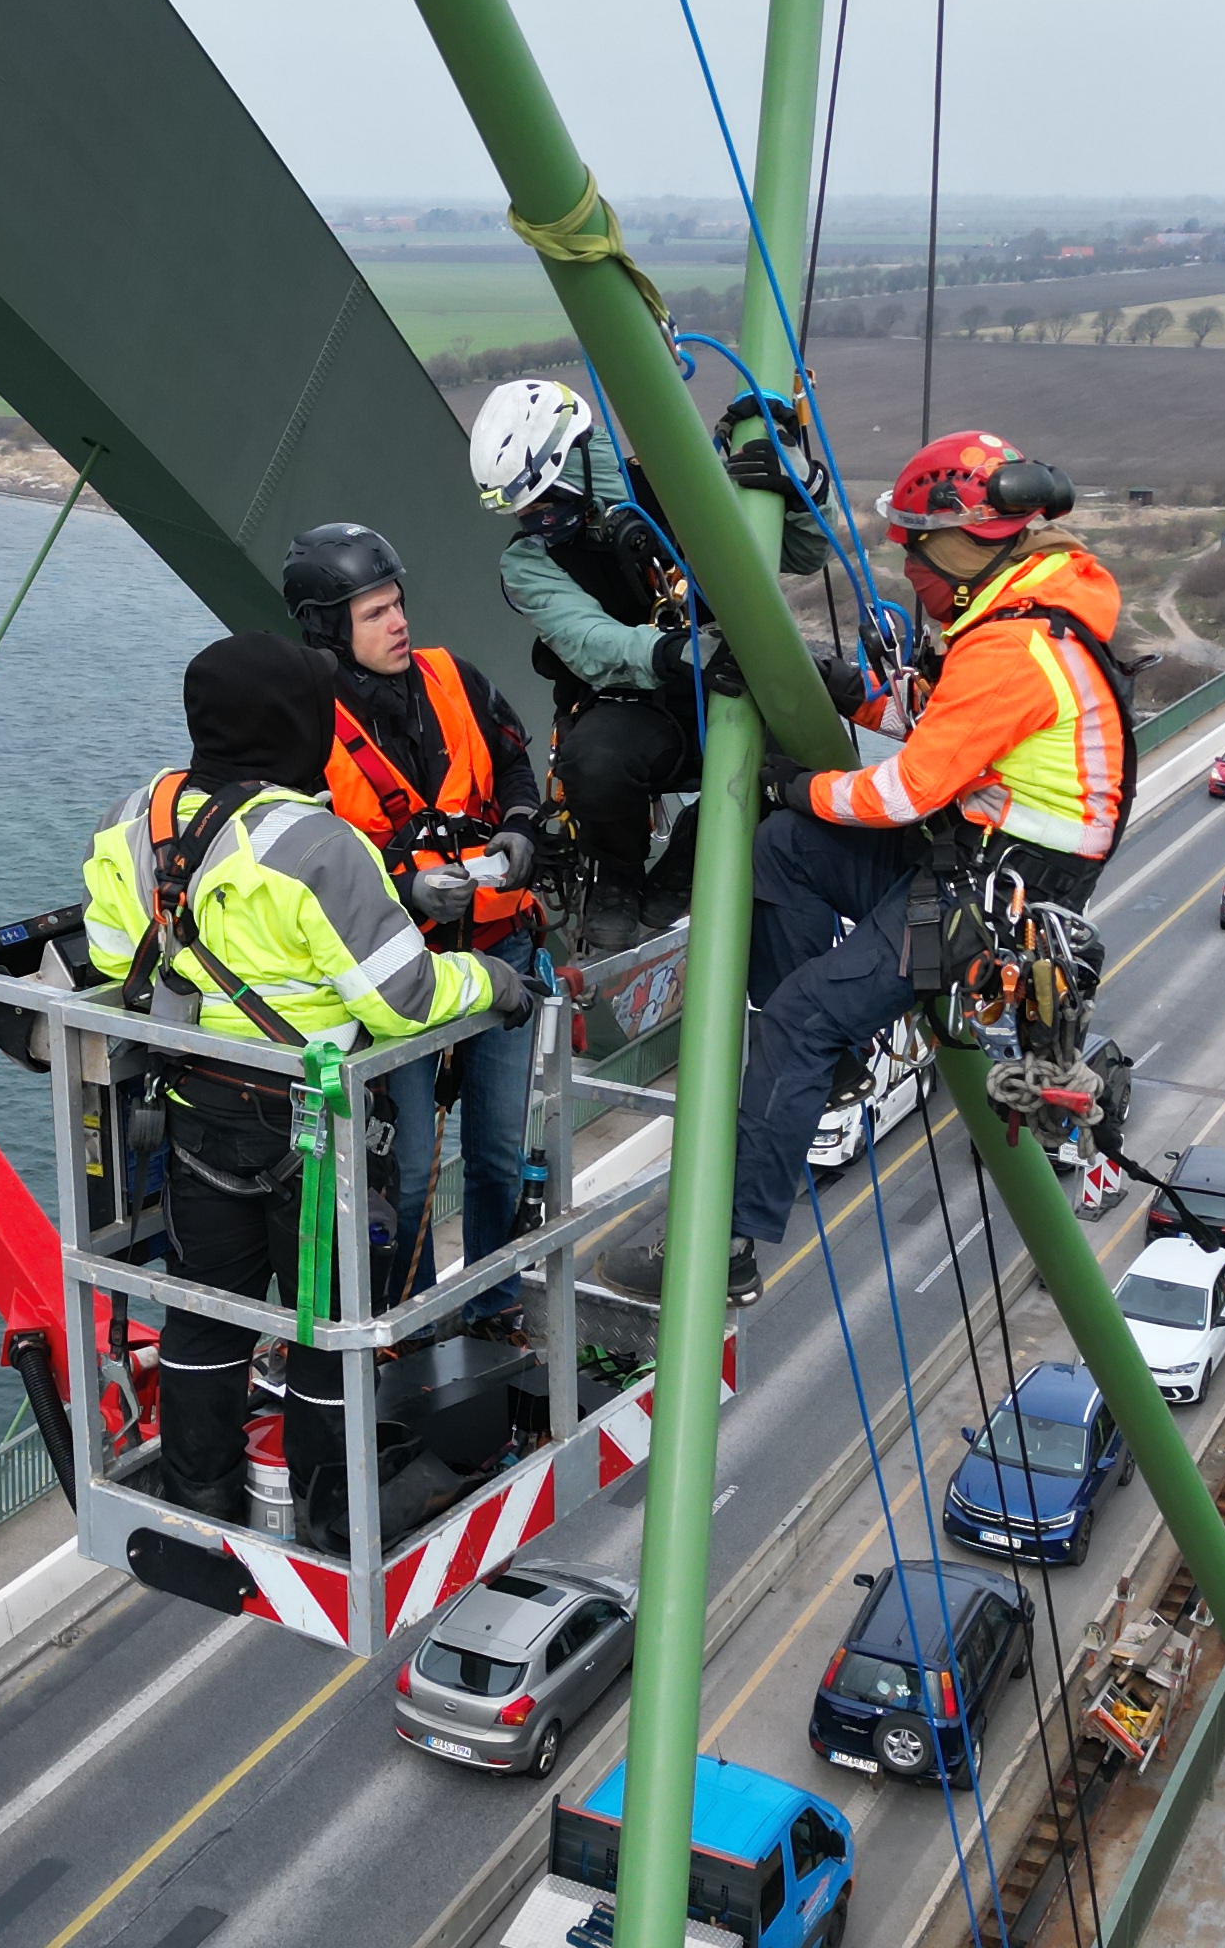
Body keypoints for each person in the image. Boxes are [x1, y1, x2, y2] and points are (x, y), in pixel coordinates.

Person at [605, 431, 1132, 1306]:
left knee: (799, 1017)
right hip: (970, 855)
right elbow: (942, 725)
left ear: (958, 547)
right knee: (783, 850)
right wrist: (845, 689)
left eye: (915, 549)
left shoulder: (1013, 647)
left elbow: (904, 788)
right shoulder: (1020, 615)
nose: (907, 569)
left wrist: (798, 784)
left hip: (992, 895)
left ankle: (725, 1245)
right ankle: (838, 1059)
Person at [82, 632, 536, 1525]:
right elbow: (405, 998)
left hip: (191, 1111)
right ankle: (332, 1505)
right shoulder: (319, 844)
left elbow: (108, 956)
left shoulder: (134, 820)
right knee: (326, 1324)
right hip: (313, 1130)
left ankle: (200, 1489)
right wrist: (495, 981)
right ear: (294, 726)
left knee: (206, 1313)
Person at [282, 522, 545, 1335]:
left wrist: (520, 828)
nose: (398, 623)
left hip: (498, 947)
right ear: (330, 629)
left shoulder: (453, 678)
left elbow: (513, 764)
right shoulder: (305, 729)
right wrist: (406, 886)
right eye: (374, 613)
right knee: (410, 1173)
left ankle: (495, 1302)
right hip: (397, 976)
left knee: (498, 1155)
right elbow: (299, 859)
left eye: (397, 604)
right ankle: (416, 1324)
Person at [474, 375, 704, 938]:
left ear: (576, 466)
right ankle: (616, 872)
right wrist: (674, 651)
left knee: (792, 761)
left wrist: (798, 477)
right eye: (524, 510)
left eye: (544, 502)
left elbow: (799, 550)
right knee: (593, 763)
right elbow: (588, 640)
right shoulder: (528, 562)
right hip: (632, 706)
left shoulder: (673, 490)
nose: (536, 519)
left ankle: (691, 855)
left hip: (715, 687)